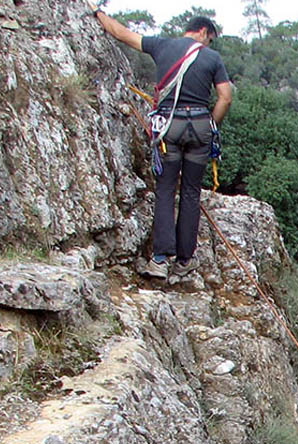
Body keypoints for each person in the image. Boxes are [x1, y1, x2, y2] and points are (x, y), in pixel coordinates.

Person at [91, 8, 233, 280]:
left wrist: (98, 13)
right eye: (210, 39)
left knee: (166, 189)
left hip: (169, 128)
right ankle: (184, 261)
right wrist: (211, 124)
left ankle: (159, 261)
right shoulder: (212, 58)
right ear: (203, 32)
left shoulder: (162, 45)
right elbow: (225, 97)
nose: (209, 44)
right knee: (191, 192)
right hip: (200, 129)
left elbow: (123, 34)